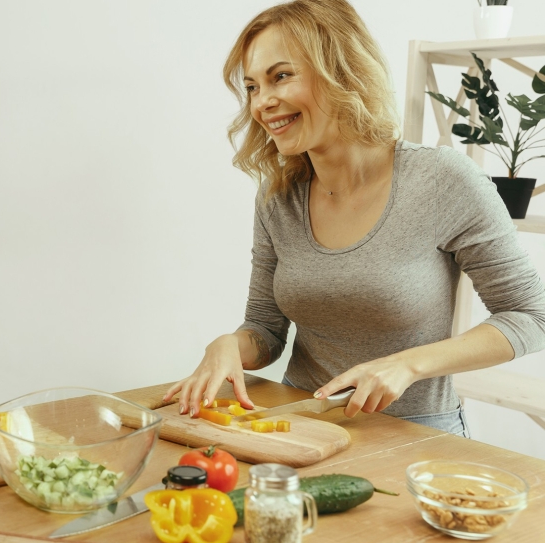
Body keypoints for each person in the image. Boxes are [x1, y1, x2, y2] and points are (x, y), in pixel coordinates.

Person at [164, 0, 545, 436]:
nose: (262, 102)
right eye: (252, 86)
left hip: (415, 432)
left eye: (280, 76)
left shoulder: (442, 181)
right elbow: (266, 329)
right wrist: (228, 345)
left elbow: (531, 316)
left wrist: (408, 365)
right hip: (298, 424)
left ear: (342, 72)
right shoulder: (278, 197)